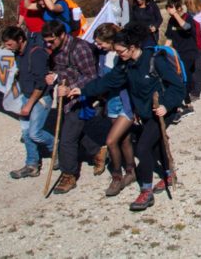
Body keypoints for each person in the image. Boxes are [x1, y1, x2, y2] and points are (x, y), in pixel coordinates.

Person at [68, 25, 186, 212]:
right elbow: (107, 82)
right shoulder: (125, 65)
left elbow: (178, 87)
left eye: (121, 51)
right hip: (145, 112)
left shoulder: (155, 61)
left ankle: (146, 191)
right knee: (155, 145)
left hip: (162, 111)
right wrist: (83, 90)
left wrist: (166, 104)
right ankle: (168, 174)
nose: (118, 54)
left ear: (132, 48)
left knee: (143, 146)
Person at [44, 20, 101, 194]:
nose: (48, 45)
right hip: (64, 98)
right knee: (75, 130)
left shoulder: (80, 49)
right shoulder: (55, 50)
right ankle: (97, 151)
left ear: (62, 35)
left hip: (79, 98)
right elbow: (63, 71)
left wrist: (71, 87)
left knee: (66, 138)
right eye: (46, 41)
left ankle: (69, 174)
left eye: (51, 41)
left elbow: (92, 76)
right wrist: (54, 77)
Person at [91, 23, 137, 196]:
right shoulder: (103, 57)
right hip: (111, 102)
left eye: (101, 43)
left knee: (111, 140)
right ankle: (131, 170)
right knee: (124, 139)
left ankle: (117, 176)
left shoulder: (122, 55)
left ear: (110, 41)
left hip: (126, 101)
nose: (98, 46)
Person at [1, 25, 53, 177]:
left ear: (20, 39)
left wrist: (29, 105)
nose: (7, 47)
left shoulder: (36, 54)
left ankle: (57, 148)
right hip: (26, 95)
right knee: (26, 133)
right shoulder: (18, 54)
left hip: (40, 98)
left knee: (35, 133)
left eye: (10, 44)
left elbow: (41, 83)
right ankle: (32, 164)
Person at [164, 0, 199, 115]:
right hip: (177, 53)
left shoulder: (188, 18)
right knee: (178, 77)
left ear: (179, 8)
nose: (170, 13)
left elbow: (186, 27)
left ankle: (188, 105)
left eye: (172, 10)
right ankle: (182, 101)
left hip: (189, 52)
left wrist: (176, 15)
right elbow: (169, 38)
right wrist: (163, 51)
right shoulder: (171, 21)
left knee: (183, 77)